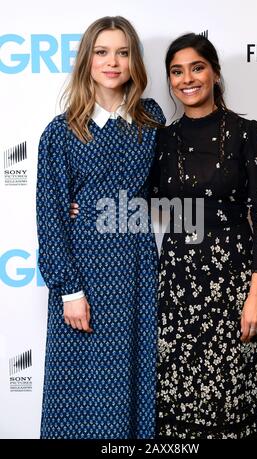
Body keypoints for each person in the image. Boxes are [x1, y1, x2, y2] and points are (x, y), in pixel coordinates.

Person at [36, 16, 165, 439]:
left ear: (134, 62)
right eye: (103, 52)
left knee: (133, 384)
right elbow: (49, 219)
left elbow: (167, 186)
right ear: (86, 60)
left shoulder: (150, 119)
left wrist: (98, 204)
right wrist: (69, 290)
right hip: (84, 275)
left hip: (135, 271)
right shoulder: (60, 133)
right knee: (79, 392)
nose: (113, 62)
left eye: (123, 52)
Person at [152, 33, 257, 439]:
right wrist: (88, 205)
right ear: (169, 80)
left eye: (197, 67)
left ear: (215, 73)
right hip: (178, 284)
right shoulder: (162, 139)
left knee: (233, 399)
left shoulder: (247, 133)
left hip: (232, 284)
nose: (187, 78)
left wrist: (256, 292)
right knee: (181, 403)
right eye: (176, 71)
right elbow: (136, 196)